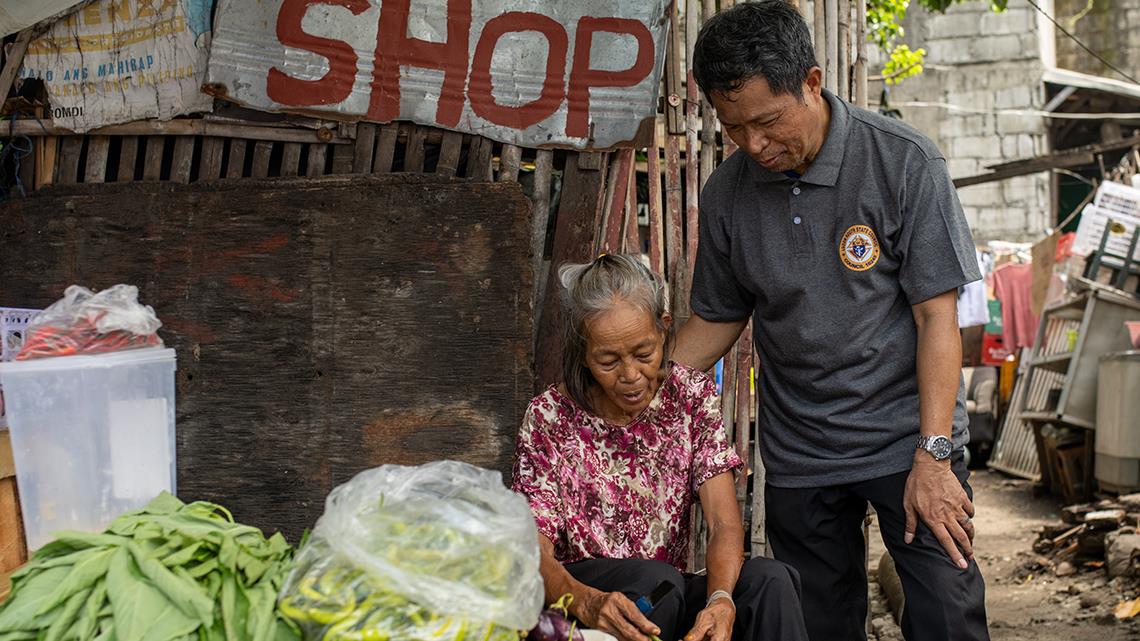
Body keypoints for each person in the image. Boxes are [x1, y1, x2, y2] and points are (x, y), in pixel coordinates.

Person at [674, 3, 989, 641]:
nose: (753, 146)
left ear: (812, 83)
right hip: (802, 454)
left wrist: (934, 456)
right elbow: (718, 315)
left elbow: (937, 318)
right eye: (734, 129)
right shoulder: (727, 193)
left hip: (909, 440)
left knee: (948, 617)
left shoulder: (903, 163)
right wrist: (640, 384)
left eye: (766, 121)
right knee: (817, 625)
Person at [512, 254, 809, 641]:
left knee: (770, 580)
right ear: (583, 353)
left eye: (643, 354)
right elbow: (532, 550)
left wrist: (720, 600)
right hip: (580, 602)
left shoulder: (690, 395)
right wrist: (584, 600)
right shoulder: (549, 417)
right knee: (655, 580)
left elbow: (723, 520)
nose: (631, 375)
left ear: (664, 330)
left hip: (662, 592)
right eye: (608, 361)